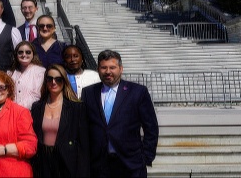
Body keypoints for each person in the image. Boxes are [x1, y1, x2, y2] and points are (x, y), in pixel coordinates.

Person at [81, 50, 159, 178]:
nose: (108, 72)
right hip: (98, 165)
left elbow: (151, 127)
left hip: (130, 165)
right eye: (103, 67)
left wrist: (145, 157)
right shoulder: (88, 93)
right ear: (98, 69)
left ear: (121, 69)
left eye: (112, 67)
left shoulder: (138, 92)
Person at [31, 63, 89, 178]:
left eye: (58, 79)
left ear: (64, 81)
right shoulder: (37, 107)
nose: (53, 82)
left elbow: (83, 145)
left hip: (66, 163)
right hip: (43, 163)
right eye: (50, 79)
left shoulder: (76, 108)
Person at [0, 70, 38, 177]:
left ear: (8, 90)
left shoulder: (20, 112)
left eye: (2, 87)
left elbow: (31, 146)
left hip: (13, 172)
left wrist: (4, 149)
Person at [9, 41, 45, 109]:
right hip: (11, 112)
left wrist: (19, 109)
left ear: (33, 54)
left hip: (30, 113)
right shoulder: (10, 73)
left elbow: (37, 96)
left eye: (28, 52)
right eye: (20, 52)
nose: (24, 55)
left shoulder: (40, 72)